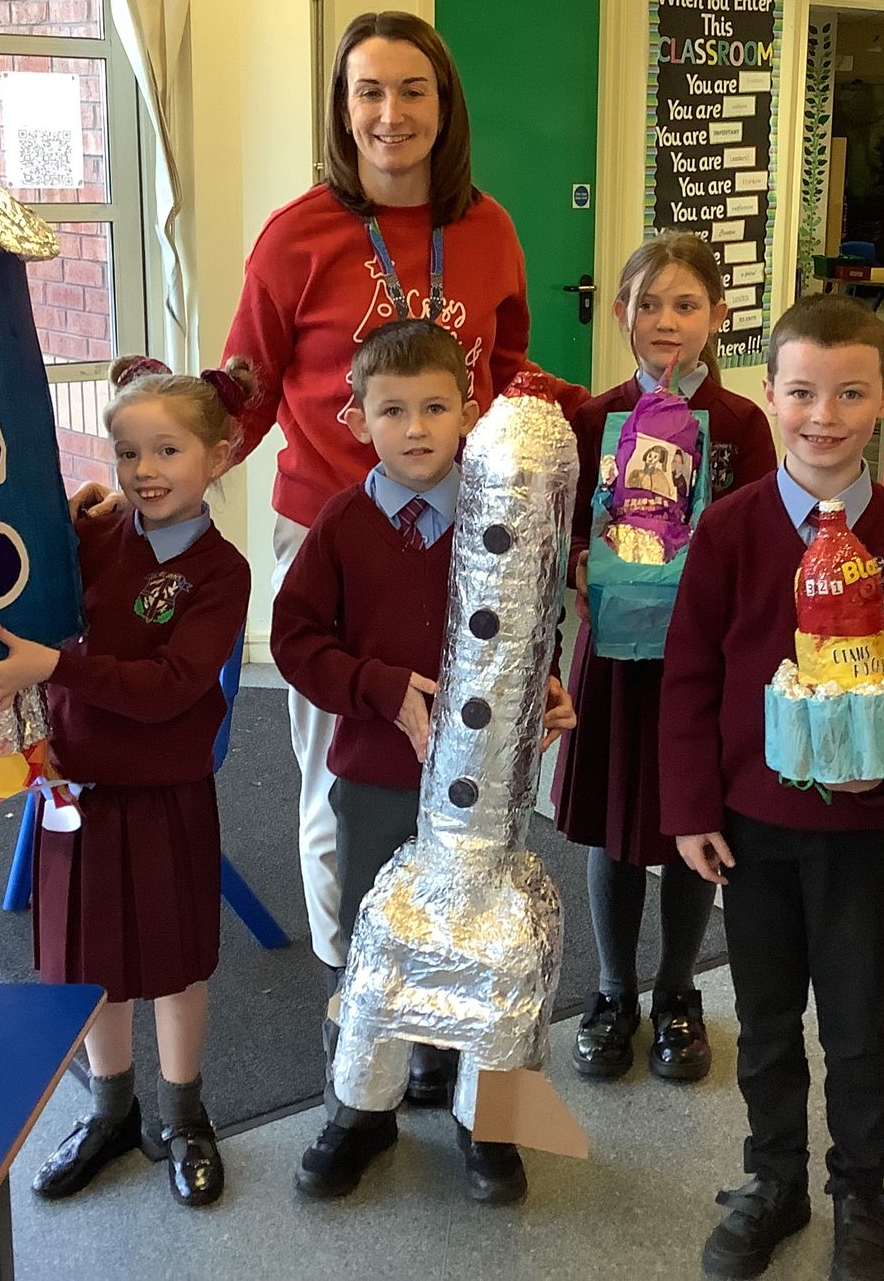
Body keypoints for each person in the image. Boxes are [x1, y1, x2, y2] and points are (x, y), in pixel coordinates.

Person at [224, 10, 555, 977]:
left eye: (413, 90)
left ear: (445, 106)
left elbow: (509, 371)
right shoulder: (297, 236)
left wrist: (624, 429)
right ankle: (351, 978)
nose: (391, 113)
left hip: (467, 535)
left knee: (464, 754)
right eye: (368, 91)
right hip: (338, 532)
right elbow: (244, 388)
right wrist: (162, 477)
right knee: (343, 766)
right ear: (343, 108)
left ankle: (447, 962)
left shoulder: (487, 228)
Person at [659, 294, 884, 1281]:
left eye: (848, 394)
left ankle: (860, 1193)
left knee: (856, 1023)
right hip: (751, 826)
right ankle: (774, 1178)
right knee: (764, 1018)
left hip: (863, 830)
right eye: (800, 393)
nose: (822, 416)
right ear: (770, 393)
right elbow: (689, 678)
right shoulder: (728, 531)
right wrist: (691, 810)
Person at [270, 318, 576, 1205]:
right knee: (376, 947)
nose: (415, 429)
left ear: (468, 413)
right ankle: (358, 1115)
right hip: (377, 778)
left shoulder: (500, 512)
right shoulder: (343, 523)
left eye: (435, 408)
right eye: (393, 410)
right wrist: (376, 685)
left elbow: (531, 621)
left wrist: (548, 686)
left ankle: (490, 1127)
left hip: (489, 798)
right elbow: (295, 641)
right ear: (357, 420)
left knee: (496, 946)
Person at [0, 354, 257, 1209]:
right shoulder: (93, 536)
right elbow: (20, 583)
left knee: (174, 966)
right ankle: (110, 1111)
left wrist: (57, 665)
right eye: (128, 452)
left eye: (168, 451)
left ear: (219, 455)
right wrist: (52, 525)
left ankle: (184, 1115)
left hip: (165, 796)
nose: (144, 471)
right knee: (89, 966)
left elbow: (171, 686)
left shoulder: (221, 572)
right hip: (75, 792)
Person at [554, 232, 776, 1087]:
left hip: (702, 662)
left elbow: (756, 535)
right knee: (617, 824)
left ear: (718, 315)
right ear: (621, 314)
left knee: (695, 817)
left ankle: (679, 990)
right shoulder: (592, 420)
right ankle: (613, 991)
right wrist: (581, 558)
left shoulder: (742, 426)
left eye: (686, 305)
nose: (666, 321)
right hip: (616, 652)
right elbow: (569, 523)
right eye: (648, 304)